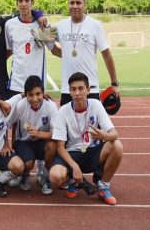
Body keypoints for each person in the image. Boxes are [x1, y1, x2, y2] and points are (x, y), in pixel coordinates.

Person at [49, 72, 123, 205]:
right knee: (55, 177)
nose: (77, 93)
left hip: (92, 152)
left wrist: (104, 136)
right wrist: (74, 166)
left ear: (88, 90)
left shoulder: (96, 104)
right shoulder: (63, 111)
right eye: (73, 89)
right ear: (69, 92)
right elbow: (60, 147)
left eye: (81, 88)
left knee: (117, 145)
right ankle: (73, 180)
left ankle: (103, 185)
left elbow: (115, 134)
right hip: (71, 154)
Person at [56, 0, 119, 106]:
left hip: (90, 88)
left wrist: (114, 83)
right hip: (67, 90)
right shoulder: (60, 26)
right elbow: (56, 49)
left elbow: (106, 55)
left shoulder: (94, 25)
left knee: (92, 124)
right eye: (72, 3)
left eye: (78, 3)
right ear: (68, 4)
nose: (74, 6)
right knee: (67, 124)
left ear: (84, 4)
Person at [5, 0, 59, 99]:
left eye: (27, 0)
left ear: (32, 2)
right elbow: (9, 50)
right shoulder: (9, 25)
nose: (23, 4)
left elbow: (53, 49)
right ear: (17, 3)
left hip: (37, 86)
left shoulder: (43, 25)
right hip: (16, 84)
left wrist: (73, 56)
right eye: (20, 1)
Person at [9, 75, 58, 195]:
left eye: (38, 94)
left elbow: (57, 134)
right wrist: (11, 143)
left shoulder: (50, 105)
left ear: (43, 93)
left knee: (52, 146)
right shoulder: (21, 105)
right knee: (28, 163)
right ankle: (24, 175)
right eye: (31, 95)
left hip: (42, 141)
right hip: (24, 142)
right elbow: (10, 123)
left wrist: (38, 134)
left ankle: (44, 177)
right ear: (26, 95)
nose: (35, 98)